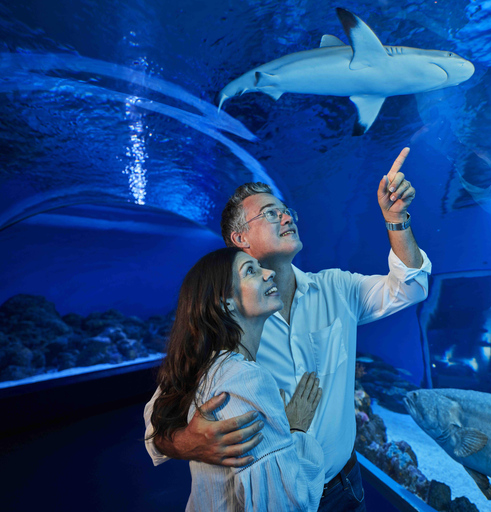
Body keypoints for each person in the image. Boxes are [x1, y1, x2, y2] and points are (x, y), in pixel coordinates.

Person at [145, 147, 432, 511]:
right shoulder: (221, 330)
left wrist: (396, 219)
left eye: (286, 210)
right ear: (240, 240)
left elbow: (411, 285)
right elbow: (157, 427)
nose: (285, 217)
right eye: (269, 213)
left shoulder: (337, 288)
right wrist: (188, 442)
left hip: (343, 486)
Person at [149, 247, 325, 510]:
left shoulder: (206, 365)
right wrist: (296, 429)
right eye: (251, 271)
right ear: (225, 302)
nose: (270, 273)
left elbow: (155, 423)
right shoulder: (245, 379)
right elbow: (288, 503)